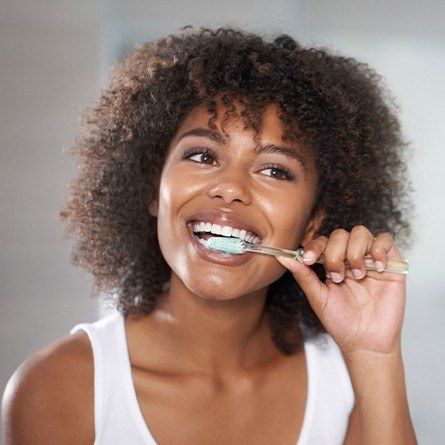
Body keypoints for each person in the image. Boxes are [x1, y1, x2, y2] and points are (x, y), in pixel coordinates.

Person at [2, 27, 417, 444]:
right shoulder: (59, 388)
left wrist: (373, 356)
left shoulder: (345, 378)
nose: (231, 188)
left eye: (275, 169)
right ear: (152, 191)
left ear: (312, 223)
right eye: (202, 155)